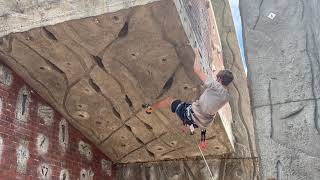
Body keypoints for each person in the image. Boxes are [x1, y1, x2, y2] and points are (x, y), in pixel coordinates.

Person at [144, 49, 234, 150]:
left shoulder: (215, 85)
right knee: (193, 113)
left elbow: (197, 70)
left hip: (190, 114)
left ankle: (150, 108)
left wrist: (197, 53)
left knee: (169, 101)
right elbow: (208, 114)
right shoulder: (226, 97)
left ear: (219, 79)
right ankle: (190, 129)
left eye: (217, 78)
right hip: (201, 122)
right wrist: (203, 139)